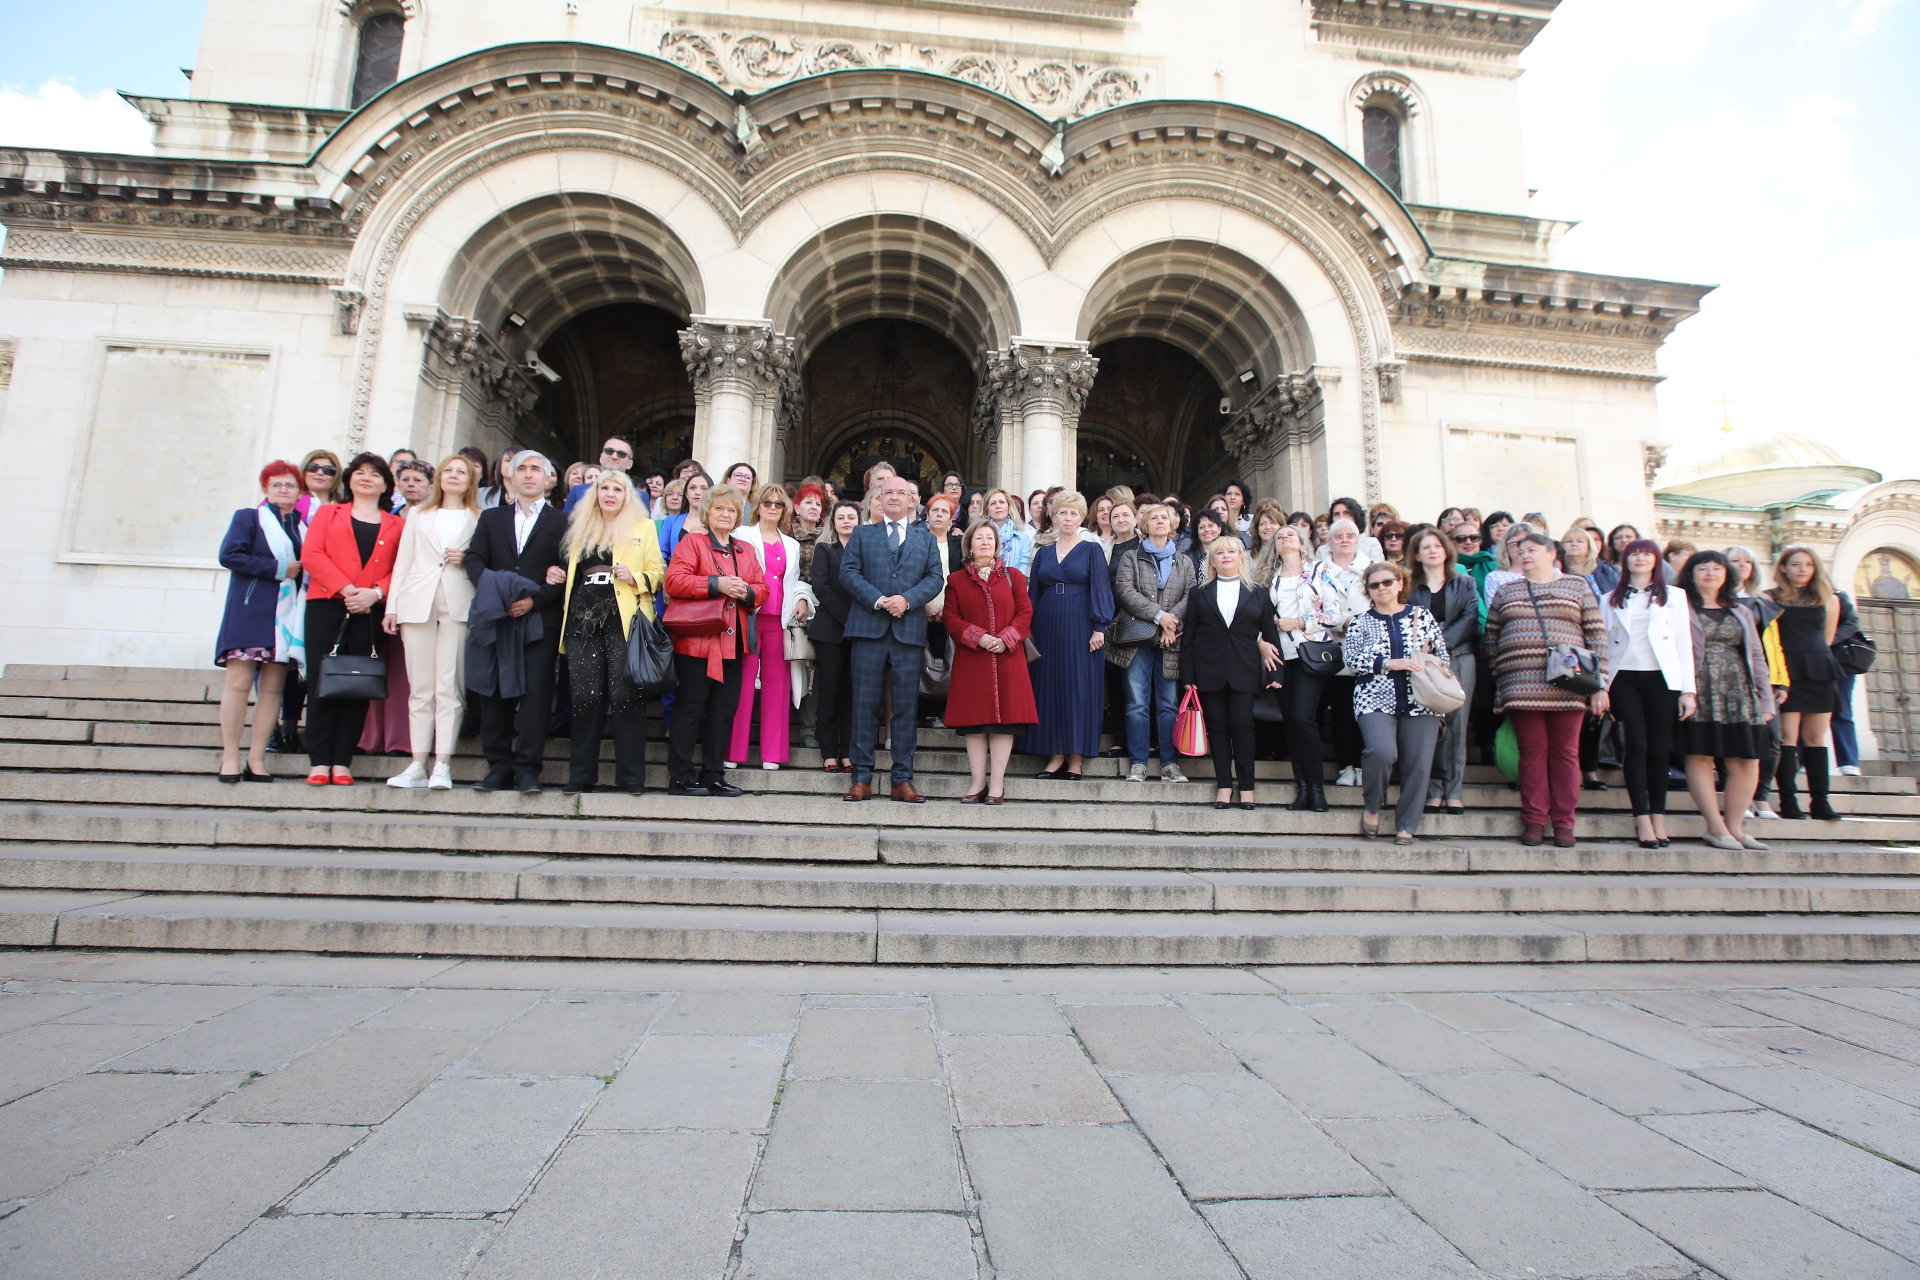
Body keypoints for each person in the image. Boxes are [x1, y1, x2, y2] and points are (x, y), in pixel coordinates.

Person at [1485, 530, 1609, 847]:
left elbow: (1596, 636)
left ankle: (1565, 823)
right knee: (1531, 753)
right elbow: (1492, 640)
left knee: (1566, 753)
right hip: (1521, 686)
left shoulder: (1576, 585)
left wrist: (1600, 685)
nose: (1525, 554)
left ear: (1552, 553)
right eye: (1520, 549)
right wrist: (1504, 681)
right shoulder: (1506, 591)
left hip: (1569, 686)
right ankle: (1535, 821)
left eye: (1533, 549)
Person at [464, 450, 569, 793]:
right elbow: (475, 559)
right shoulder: (491, 518)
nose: (528, 474)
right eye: (520, 468)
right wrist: (496, 592)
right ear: (510, 477)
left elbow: (566, 571)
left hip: (540, 617)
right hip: (497, 617)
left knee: (537, 695)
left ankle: (527, 768)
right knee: (493, 693)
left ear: (548, 478)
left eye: (535, 468)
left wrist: (534, 599)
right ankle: (498, 767)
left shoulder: (562, 522)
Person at [839, 476, 946, 802]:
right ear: (878, 499)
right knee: (863, 706)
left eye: (902, 493)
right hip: (868, 629)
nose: (895, 497)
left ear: (912, 500)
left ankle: (902, 780)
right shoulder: (861, 533)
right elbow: (848, 573)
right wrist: (880, 599)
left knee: (904, 707)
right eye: (889, 493)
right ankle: (861, 779)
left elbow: (935, 578)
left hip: (908, 632)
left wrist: (908, 600)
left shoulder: (925, 539)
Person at [557, 470, 663, 795]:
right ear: (595, 493)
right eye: (604, 488)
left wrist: (636, 578)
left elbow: (658, 572)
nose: (610, 494)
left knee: (625, 696)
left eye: (618, 488)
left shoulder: (643, 527)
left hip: (623, 617)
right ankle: (581, 777)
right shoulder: (579, 530)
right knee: (586, 698)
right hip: (581, 618)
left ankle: (631, 779)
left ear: (627, 495)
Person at [301, 453, 402, 786]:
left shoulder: (397, 524)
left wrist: (375, 593)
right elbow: (312, 554)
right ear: (348, 480)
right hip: (328, 603)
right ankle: (319, 761)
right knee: (322, 679)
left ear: (386, 484)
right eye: (359, 472)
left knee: (357, 682)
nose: (366, 478)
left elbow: (401, 567)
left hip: (370, 609)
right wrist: (347, 589)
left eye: (375, 474)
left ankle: (342, 760)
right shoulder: (329, 513)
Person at [381, 452, 480, 790]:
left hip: (458, 602)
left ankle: (442, 764)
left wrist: (468, 560)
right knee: (420, 688)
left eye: (461, 472)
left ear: (470, 481)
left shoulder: (479, 517)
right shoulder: (419, 514)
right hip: (416, 601)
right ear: (438, 477)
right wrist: (392, 605)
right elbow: (402, 563)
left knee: (449, 687)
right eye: (448, 470)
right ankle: (417, 763)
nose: (453, 476)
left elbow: (485, 563)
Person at [664, 484, 769, 796]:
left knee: (724, 711)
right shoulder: (693, 543)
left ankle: (713, 775)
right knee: (690, 707)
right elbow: (674, 581)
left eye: (732, 510)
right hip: (697, 641)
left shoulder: (745, 550)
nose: (726, 514)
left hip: (735, 642)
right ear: (707, 513)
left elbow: (762, 587)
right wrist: (717, 584)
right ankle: (681, 778)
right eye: (720, 508)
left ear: (738, 517)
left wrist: (746, 592)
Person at [1676, 551, 1777, 850]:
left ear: (1727, 574)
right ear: (1691, 575)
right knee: (1701, 756)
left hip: (1739, 691)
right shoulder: (1681, 607)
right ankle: (1715, 827)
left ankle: (1736, 827)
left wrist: (1766, 698)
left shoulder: (1741, 611)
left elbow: (1757, 655)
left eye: (1717, 568)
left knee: (1747, 759)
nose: (1710, 573)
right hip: (1699, 688)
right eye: (1702, 568)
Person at [1344, 560, 1451, 843]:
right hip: (1374, 697)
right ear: (1368, 590)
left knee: (1418, 763)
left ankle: (1407, 824)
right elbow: (1352, 659)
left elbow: (1442, 656)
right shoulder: (1361, 621)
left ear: (1400, 584)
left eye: (1387, 582)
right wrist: (1389, 663)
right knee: (1381, 752)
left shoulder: (1421, 616)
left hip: (1422, 698)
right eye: (1374, 585)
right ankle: (1373, 804)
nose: (1381, 588)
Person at [213, 461, 307, 782]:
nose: (284, 490)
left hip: (287, 617)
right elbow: (230, 555)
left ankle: (256, 759)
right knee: (239, 684)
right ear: (265, 489)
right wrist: (279, 568)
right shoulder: (248, 518)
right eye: (277, 484)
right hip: (250, 611)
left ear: (299, 492)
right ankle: (229, 757)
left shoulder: (302, 525)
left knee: (272, 689)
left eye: (290, 485)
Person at [1600, 539, 1694, 847]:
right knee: (1636, 744)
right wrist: (1602, 686)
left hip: (1663, 679)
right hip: (1623, 678)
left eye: (1646, 554)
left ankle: (1659, 817)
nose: (1640, 558)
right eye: (1634, 554)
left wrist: (1687, 690)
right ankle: (1641, 818)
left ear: (1657, 560)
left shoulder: (1675, 597)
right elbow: (1601, 646)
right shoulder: (1610, 598)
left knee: (1659, 748)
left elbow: (1683, 644)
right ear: (1624, 561)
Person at [1182, 537, 1284, 810]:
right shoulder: (1198, 593)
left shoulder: (1259, 593)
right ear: (1212, 561)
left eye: (1231, 551)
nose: (1226, 556)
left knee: (1242, 725)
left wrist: (1277, 674)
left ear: (1241, 557)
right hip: (1208, 669)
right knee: (1217, 728)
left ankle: (1247, 788)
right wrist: (1188, 676)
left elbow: (1270, 634)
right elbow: (1189, 638)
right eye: (1220, 553)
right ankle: (1224, 787)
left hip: (1244, 668)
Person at [944, 520, 1039, 804]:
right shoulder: (957, 580)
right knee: (974, 723)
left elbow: (1025, 613)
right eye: (979, 538)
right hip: (972, 659)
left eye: (990, 538)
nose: (985, 542)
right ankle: (976, 784)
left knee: (1003, 723)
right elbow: (951, 618)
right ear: (969, 546)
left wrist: (1006, 638)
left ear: (998, 546)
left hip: (1008, 659)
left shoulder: (1014, 576)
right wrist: (979, 637)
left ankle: (996, 785)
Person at [1021, 492, 1114, 779]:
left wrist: (1099, 627)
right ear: (1054, 516)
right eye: (1063, 513)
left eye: (1074, 513)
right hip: (1046, 626)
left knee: (1079, 688)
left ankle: (1076, 757)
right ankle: (1055, 754)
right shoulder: (1044, 553)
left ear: (1081, 517)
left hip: (1081, 626)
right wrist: (1027, 630)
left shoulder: (1091, 550)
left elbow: (1102, 590)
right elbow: (1032, 595)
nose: (1068, 518)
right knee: (1048, 687)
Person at [729, 485, 813, 771]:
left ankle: (773, 754)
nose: (773, 507)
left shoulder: (791, 543)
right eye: (767, 502)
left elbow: (795, 580)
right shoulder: (740, 535)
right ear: (757, 505)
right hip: (747, 617)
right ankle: (733, 751)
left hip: (780, 621)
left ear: (785, 510)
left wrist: (801, 597)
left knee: (778, 688)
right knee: (741, 685)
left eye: (778, 504)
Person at [1111, 502, 1195, 784]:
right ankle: (1138, 763)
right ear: (1144, 525)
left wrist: (1173, 624)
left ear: (1172, 525)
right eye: (1154, 518)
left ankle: (1170, 764)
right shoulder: (1131, 557)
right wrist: (1160, 616)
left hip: (1171, 640)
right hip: (1137, 640)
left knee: (1169, 704)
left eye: (1165, 517)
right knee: (1136, 703)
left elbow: (1190, 595)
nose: (1160, 521)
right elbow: (1125, 592)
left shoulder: (1184, 561)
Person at [1766, 545, 1845, 821]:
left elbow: (1827, 637)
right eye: (1796, 564)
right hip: (1787, 672)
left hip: (1820, 669)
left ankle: (1820, 801)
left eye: (1809, 564)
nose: (1802, 569)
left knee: (1815, 738)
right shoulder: (1770, 599)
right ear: (1784, 568)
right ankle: (1788, 801)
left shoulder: (1829, 599)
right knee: (1787, 737)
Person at [1406, 526, 1478, 815]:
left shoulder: (1465, 583)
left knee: (1458, 726)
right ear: (1418, 555)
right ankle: (1434, 790)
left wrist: (1438, 642)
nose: (1432, 550)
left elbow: (1470, 617)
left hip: (1459, 658)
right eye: (1426, 547)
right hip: (1424, 663)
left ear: (1446, 550)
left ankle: (1454, 791)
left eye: (1437, 545)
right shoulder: (1411, 586)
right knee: (1433, 726)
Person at [1267, 524, 1340, 811]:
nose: (1284, 538)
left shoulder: (1319, 570)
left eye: (1290, 535)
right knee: (1290, 721)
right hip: (1281, 657)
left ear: (1301, 543)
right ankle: (1304, 788)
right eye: (1279, 537)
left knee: (1303, 718)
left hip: (1311, 652)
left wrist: (1299, 622)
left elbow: (1335, 613)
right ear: (1275, 547)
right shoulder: (1269, 579)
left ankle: (1318, 788)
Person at [1308, 517, 1371, 789]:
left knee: (1365, 713)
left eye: (1350, 535)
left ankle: (1364, 765)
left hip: (1368, 652)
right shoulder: (1317, 571)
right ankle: (1347, 765)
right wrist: (1340, 621)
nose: (1344, 540)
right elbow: (1311, 605)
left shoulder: (1371, 569)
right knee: (1343, 712)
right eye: (1338, 536)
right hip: (1331, 651)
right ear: (1329, 541)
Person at [808, 500, 862, 774]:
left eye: (851, 517)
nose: (846, 522)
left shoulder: (867, 551)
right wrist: (847, 618)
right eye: (841, 517)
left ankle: (848, 753)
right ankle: (828, 752)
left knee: (852, 695)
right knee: (829, 693)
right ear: (833, 522)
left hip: (861, 633)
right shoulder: (824, 549)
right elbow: (821, 587)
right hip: (831, 631)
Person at [657, 471, 710, 561]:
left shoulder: (715, 522)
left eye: (704, 488)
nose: (698, 492)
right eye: (692, 488)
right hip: (675, 572)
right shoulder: (671, 521)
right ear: (686, 493)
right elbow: (661, 557)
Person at [1317, 497, 1384, 563]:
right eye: (1336, 514)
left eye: (1346, 513)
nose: (1341, 517)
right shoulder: (1322, 550)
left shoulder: (1371, 544)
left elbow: (1379, 571)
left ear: (1356, 516)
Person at [982, 488, 1032, 574]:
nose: (998, 506)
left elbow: (1023, 567)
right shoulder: (980, 536)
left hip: (1013, 585)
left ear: (1008, 507)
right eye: (993, 503)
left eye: (1002, 502)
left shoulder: (1022, 538)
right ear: (987, 511)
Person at [296, 449, 343, 520]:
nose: (320, 473)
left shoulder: (345, 507)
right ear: (304, 472)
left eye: (328, 470)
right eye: (313, 468)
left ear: (336, 476)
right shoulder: (293, 501)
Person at [1185, 507, 1231, 576]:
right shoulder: (1187, 558)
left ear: (1219, 529)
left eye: (1210, 525)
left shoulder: (1231, 552)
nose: (1206, 530)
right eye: (1202, 527)